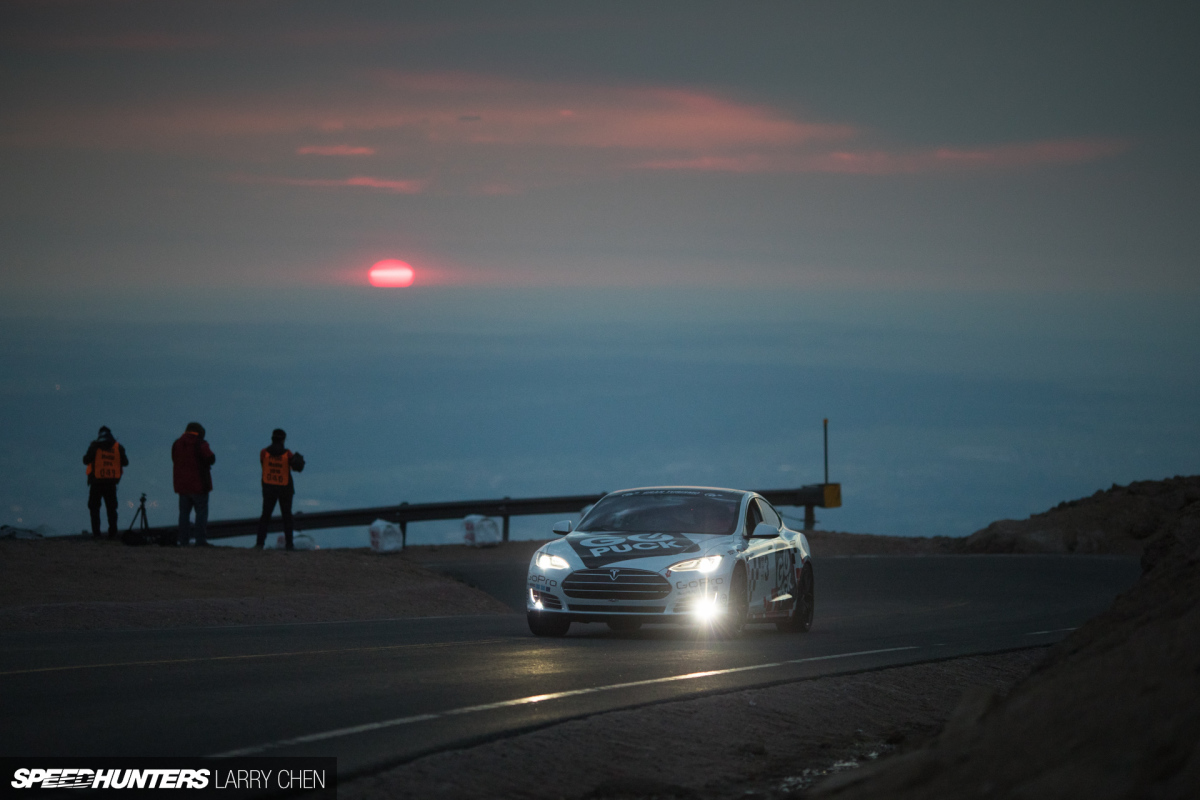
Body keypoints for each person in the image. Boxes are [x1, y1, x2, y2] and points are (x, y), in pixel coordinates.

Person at [256, 428, 306, 550]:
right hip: (285, 489)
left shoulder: (264, 452)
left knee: (265, 516)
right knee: (287, 517)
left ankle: (259, 544)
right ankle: (289, 544)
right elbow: (296, 467)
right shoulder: (287, 454)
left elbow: (263, 465)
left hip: (269, 489)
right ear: (283, 440)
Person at [171, 422, 216, 547]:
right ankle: (200, 540)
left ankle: (183, 541)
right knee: (201, 513)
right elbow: (211, 458)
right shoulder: (201, 444)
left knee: (184, 514)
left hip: (182, 486)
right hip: (199, 485)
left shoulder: (177, 444)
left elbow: (174, 459)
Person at [83, 426, 129, 539]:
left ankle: (96, 534)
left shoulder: (94, 446)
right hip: (111, 483)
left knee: (94, 509)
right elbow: (125, 462)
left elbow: (85, 460)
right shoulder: (118, 447)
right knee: (112, 509)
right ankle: (112, 533)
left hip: (96, 483)